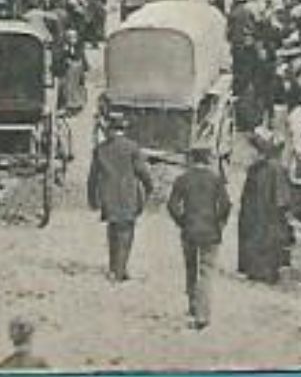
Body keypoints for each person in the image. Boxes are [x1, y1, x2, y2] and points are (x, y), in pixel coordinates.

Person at [167, 146, 231, 329]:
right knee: (206, 271)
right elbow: (226, 205)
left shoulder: (182, 179)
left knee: (190, 268)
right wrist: (219, 223)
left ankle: (193, 306)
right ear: (208, 160)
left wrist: (181, 221)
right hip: (210, 231)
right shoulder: (216, 180)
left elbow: (172, 205)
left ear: (192, 160)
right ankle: (203, 315)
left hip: (189, 230)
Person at [87, 112, 155, 281]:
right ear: (124, 128)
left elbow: (92, 177)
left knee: (112, 230)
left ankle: (113, 266)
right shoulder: (132, 147)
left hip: (108, 197)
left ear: (109, 128)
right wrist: (149, 187)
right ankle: (120, 271)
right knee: (126, 232)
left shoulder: (100, 149)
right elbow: (142, 172)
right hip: (127, 196)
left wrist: (92, 199)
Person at [237, 128, 291, 284]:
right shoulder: (257, 168)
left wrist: (281, 212)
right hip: (256, 212)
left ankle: (264, 272)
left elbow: (281, 198)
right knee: (256, 238)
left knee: (267, 240)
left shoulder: (273, 168)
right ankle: (255, 269)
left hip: (268, 214)